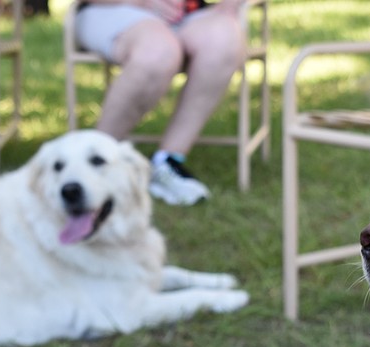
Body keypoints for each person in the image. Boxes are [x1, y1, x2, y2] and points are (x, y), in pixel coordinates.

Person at [75, 0, 247, 206]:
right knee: (158, 52)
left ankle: (168, 162)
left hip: (190, 14)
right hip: (113, 8)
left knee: (224, 37)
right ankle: (92, 163)